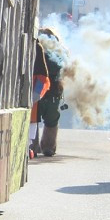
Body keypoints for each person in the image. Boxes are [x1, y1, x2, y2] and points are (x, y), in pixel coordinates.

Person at [36, 27, 67, 157]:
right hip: (49, 91)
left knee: (41, 119)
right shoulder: (58, 52)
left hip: (44, 89)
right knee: (50, 121)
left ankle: (40, 146)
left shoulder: (53, 52)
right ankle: (47, 146)